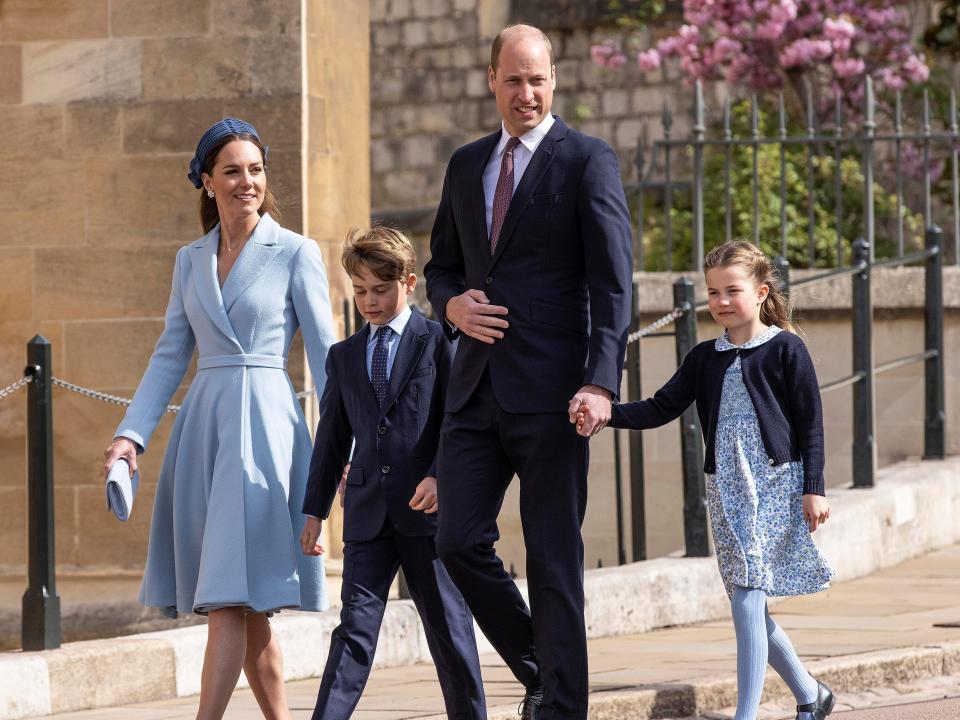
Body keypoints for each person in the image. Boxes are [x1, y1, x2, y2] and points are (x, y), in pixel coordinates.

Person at [423, 24, 633, 720]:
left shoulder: (587, 160)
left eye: (537, 78)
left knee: (551, 560)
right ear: (492, 81)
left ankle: (561, 708)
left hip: (555, 395)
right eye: (513, 79)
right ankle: (544, 667)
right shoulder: (466, 164)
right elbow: (440, 268)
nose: (527, 92)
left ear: (554, 81)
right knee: (455, 541)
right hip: (475, 391)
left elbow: (613, 284)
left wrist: (600, 381)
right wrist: (451, 304)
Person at [102, 118, 336, 720]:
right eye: (231, 170)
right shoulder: (189, 261)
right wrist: (130, 436)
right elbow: (169, 355)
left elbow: (329, 360)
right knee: (248, 608)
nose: (246, 182)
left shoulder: (296, 252)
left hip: (266, 434)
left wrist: (344, 455)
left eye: (256, 169)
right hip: (204, 434)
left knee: (231, 600)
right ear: (207, 181)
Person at [577, 240, 836, 720]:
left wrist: (814, 487)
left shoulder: (786, 348)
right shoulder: (703, 357)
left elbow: (811, 422)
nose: (720, 301)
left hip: (776, 484)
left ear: (761, 293)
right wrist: (605, 412)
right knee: (748, 601)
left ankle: (746, 715)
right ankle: (811, 695)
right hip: (726, 489)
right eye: (713, 292)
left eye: (731, 291)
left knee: (747, 596)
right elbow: (659, 407)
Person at [300, 226, 486, 720]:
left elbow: (460, 417)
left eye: (380, 290)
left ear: (408, 282)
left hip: (427, 512)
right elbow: (333, 438)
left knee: (448, 628)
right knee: (355, 631)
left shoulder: (438, 339)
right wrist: (314, 510)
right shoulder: (343, 357)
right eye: (359, 291)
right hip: (366, 514)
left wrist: (441, 474)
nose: (369, 301)